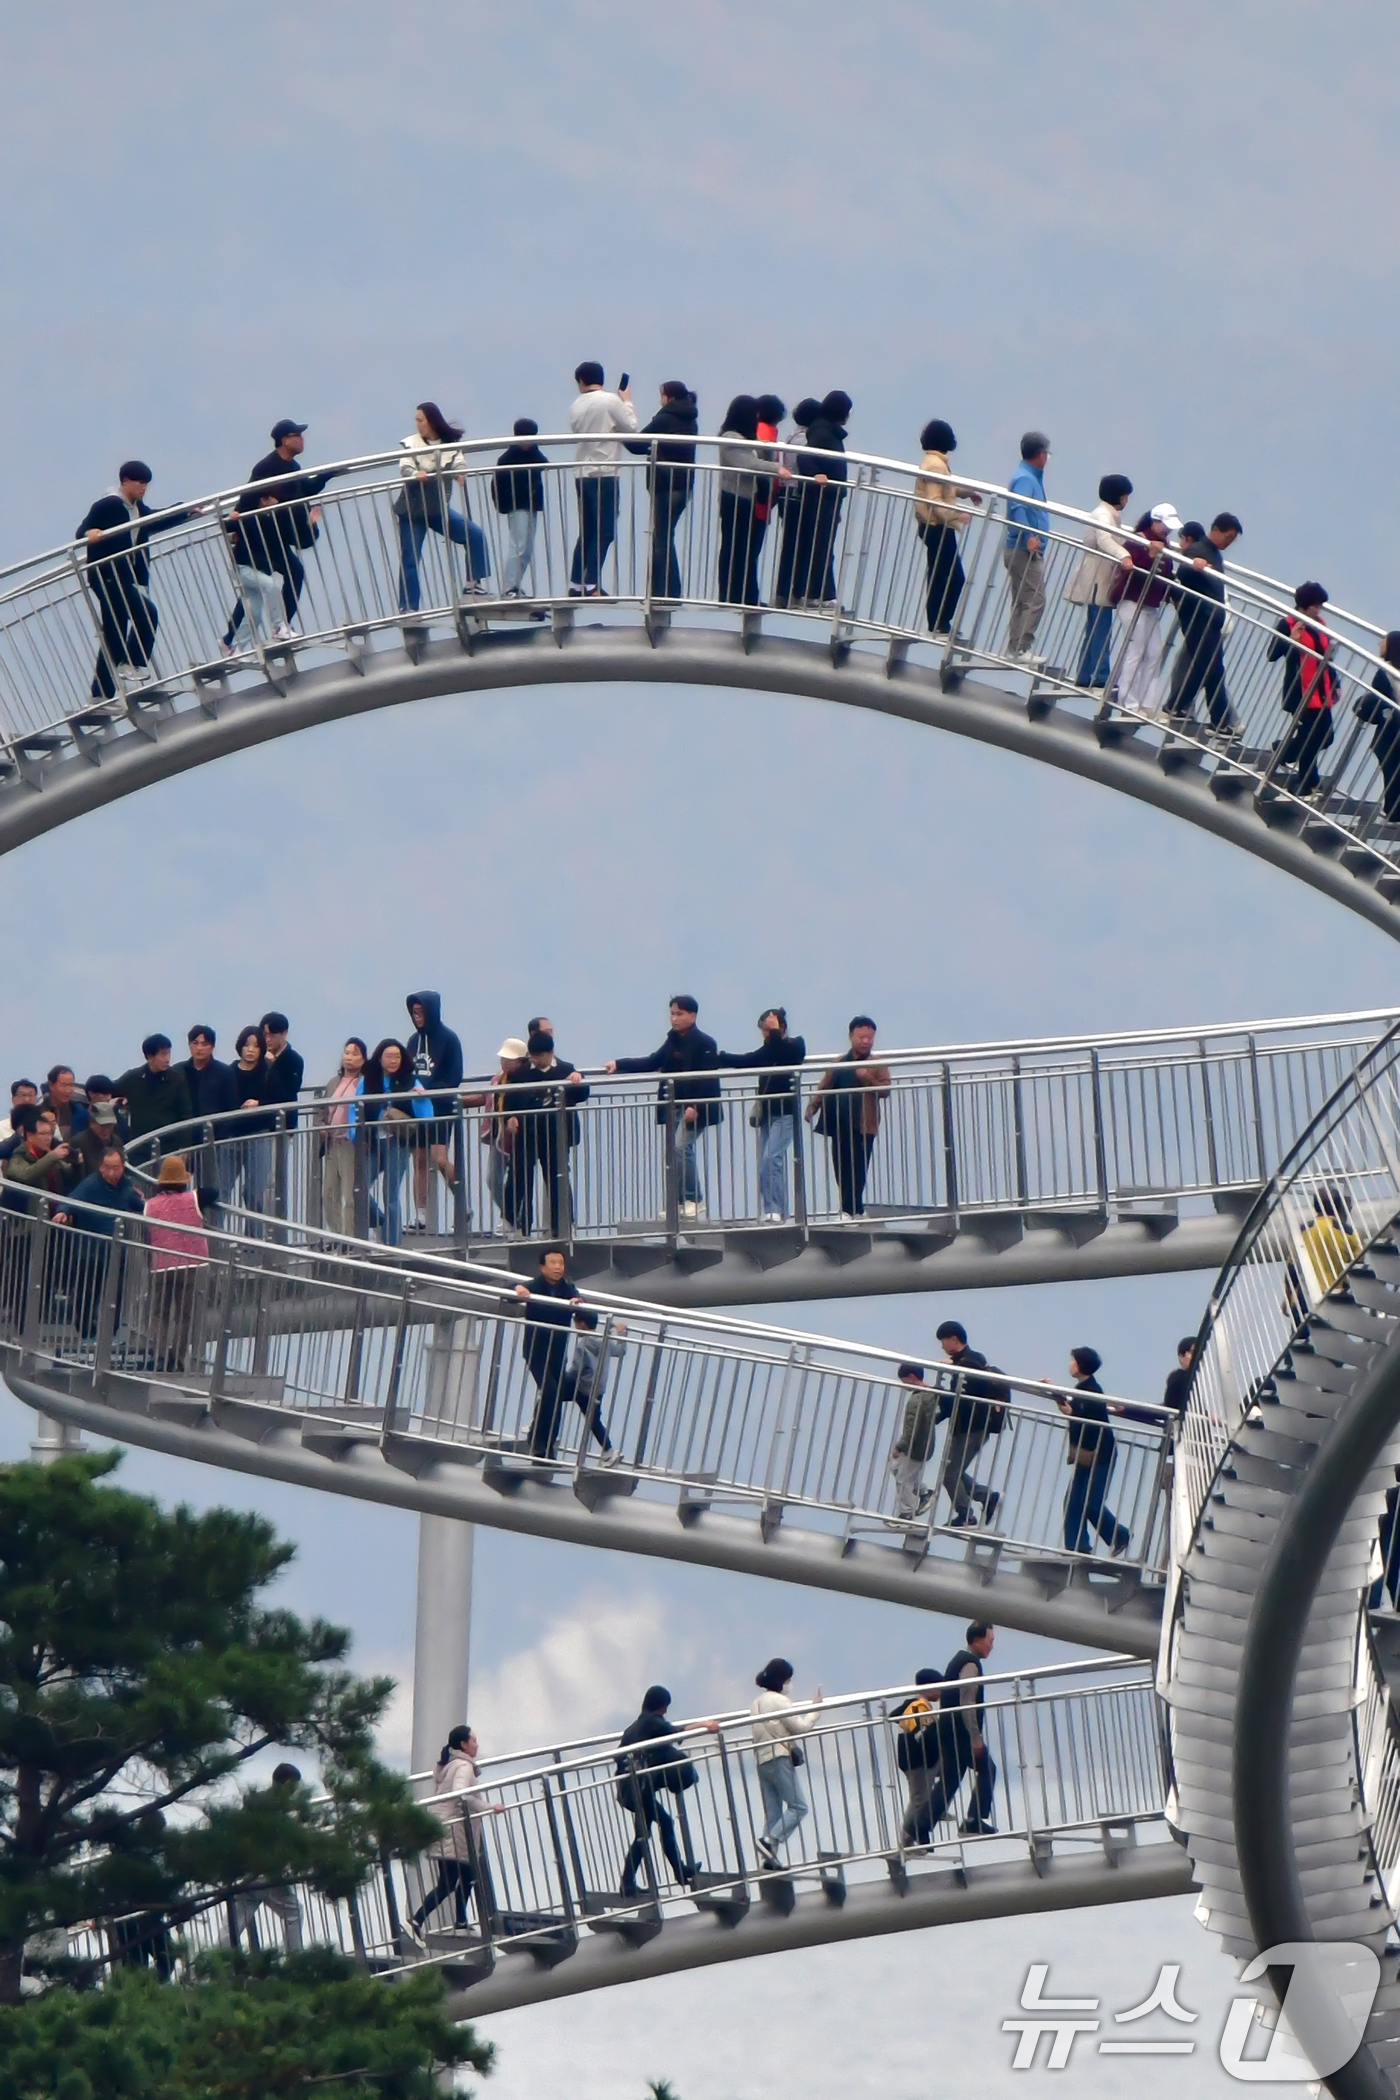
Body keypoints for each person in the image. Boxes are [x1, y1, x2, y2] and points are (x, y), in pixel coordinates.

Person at [76, 463, 202, 699]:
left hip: (122, 576)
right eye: (139, 483)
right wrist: (89, 534)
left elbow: (152, 521)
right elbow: (82, 530)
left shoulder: (135, 507)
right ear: (125, 481)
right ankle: (130, 663)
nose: (144, 488)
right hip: (107, 575)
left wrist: (184, 511)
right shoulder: (109, 504)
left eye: (146, 483)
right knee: (145, 614)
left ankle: (100, 694)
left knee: (116, 630)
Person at [220, 420, 345, 648]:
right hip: (258, 540)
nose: (302, 439)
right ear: (284, 440)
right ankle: (236, 639)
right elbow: (247, 498)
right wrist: (234, 523)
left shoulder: (293, 467)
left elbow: (304, 489)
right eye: (296, 435)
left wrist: (329, 474)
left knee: (293, 573)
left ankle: (280, 627)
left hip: (275, 539)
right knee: (253, 595)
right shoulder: (266, 467)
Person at [607, 997, 722, 1220]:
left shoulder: (705, 1043)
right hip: (674, 1105)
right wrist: (620, 1064)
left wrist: (695, 1106)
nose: (674, 1018)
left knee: (681, 1147)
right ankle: (678, 1202)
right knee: (673, 1152)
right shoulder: (673, 1041)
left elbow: (707, 1078)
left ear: (693, 1016)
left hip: (695, 1107)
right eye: (672, 1014)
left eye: (679, 1014)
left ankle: (694, 1199)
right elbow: (652, 1062)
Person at [616, 1686, 719, 1899]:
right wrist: (705, 1725)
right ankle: (673, 1873)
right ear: (661, 1705)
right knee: (652, 1830)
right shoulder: (653, 1722)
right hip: (639, 1788)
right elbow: (676, 1733)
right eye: (665, 1707)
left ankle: (670, 1873)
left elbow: (619, 1757)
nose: (666, 1712)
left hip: (631, 1787)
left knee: (650, 1829)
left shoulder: (633, 1728)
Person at [405, 1726, 498, 1941]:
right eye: (473, 1740)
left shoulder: (450, 1764)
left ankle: (462, 1923)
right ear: (464, 1745)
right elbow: (460, 1793)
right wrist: (488, 1806)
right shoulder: (464, 1766)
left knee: (467, 1875)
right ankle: (416, 1921)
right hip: (453, 1831)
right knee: (449, 1882)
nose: (477, 1744)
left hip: (446, 1828)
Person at [395, 401, 489, 613]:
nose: (418, 425)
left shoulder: (450, 443)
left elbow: (458, 462)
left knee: (474, 535)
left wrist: (460, 473)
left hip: (437, 507)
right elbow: (405, 467)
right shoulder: (412, 443)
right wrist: (415, 474)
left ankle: (473, 584)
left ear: (431, 422)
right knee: (410, 556)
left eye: (421, 420)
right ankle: (408, 607)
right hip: (412, 509)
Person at [718, 1008, 807, 1222]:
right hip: (768, 1113)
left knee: (772, 1158)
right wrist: (720, 1057)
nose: (766, 1035)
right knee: (765, 1162)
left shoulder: (795, 1045)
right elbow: (747, 1060)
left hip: (785, 1112)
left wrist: (775, 1032)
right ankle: (774, 1209)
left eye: (769, 1030)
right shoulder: (768, 1049)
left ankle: (776, 1209)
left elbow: (786, 1056)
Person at [503, 1030, 590, 1238]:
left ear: (550, 1053)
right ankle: (518, 1224)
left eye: (539, 1056)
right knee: (520, 1176)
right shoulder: (522, 1073)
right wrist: (510, 1117)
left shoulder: (565, 1069)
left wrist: (578, 1080)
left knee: (557, 1178)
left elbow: (581, 1095)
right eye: (532, 1055)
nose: (535, 1060)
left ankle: (562, 1226)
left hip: (556, 1134)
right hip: (527, 1133)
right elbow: (510, 1101)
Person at [806, 1016, 891, 1220]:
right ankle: (853, 1210)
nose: (865, 1042)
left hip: (863, 1124)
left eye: (869, 1038)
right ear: (851, 1036)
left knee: (859, 1167)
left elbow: (885, 1090)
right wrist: (813, 1106)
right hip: (839, 1122)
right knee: (841, 1167)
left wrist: (867, 1078)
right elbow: (825, 1085)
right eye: (861, 1037)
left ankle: (850, 1210)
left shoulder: (877, 1064)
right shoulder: (839, 1062)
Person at [1164, 513, 1242, 729]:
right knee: (1206, 667)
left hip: (1211, 619)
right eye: (1229, 536)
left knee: (1213, 670)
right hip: (1198, 617)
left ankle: (1219, 720)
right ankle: (1177, 705)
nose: (1230, 541)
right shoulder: (1198, 549)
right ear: (1215, 529)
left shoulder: (1215, 554)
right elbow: (1185, 570)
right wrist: (1195, 565)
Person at [775, 391, 851, 609]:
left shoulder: (823, 430)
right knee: (821, 547)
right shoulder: (823, 431)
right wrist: (817, 476)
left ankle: (806, 593)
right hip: (821, 498)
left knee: (813, 547)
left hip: (824, 496)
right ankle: (819, 595)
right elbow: (805, 457)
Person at [568, 363, 639, 595]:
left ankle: (577, 582)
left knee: (587, 529)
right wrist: (626, 401)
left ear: (581, 381)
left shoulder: (576, 406)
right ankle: (592, 583)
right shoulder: (610, 401)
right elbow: (631, 427)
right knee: (605, 530)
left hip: (582, 473)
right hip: (606, 472)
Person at [1053, 1345, 1130, 1557]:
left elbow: (1089, 1419)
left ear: (1080, 1364)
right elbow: (1080, 1413)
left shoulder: (1093, 1392)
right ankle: (1077, 1546)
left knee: (1091, 1502)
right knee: (1073, 1500)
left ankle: (1119, 1535)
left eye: (1073, 1360)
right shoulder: (1082, 1390)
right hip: (1086, 1454)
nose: (1070, 1364)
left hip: (1101, 1454)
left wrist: (1072, 1411)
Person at [61, 1145, 144, 1338]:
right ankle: (85, 1327)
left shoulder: (125, 1185)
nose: (110, 1172)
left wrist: (145, 1203)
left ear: (123, 1167)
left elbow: (137, 1204)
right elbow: (73, 1199)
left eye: (115, 1167)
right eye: (106, 1167)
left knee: (116, 1291)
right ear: (100, 1167)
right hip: (90, 1251)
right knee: (88, 1291)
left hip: (116, 1250)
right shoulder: (91, 1184)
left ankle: (111, 1330)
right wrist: (63, 1211)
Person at [923, 1624, 998, 1836]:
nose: (991, 1646)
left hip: (949, 1730)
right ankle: (973, 1821)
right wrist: (975, 1738)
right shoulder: (970, 1665)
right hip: (961, 1733)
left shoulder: (960, 1660)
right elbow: (967, 1702)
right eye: (989, 1641)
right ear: (976, 1640)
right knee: (987, 1768)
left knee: (950, 1781)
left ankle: (918, 1827)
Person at [627, 381, 699, 600]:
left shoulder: (666, 416)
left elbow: (637, 445)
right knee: (665, 535)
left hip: (665, 485)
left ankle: (664, 591)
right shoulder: (690, 417)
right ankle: (668, 590)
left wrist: (621, 432)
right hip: (683, 485)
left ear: (669, 397)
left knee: (661, 537)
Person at [1267, 582, 1338, 796]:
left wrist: (1335, 683)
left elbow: (1326, 657)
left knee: (1326, 736)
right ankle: (1308, 783)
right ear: (1304, 606)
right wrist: (1292, 641)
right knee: (1311, 737)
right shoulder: (1288, 624)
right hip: (1300, 693)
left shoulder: (1321, 625)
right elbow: (1272, 654)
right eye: (1315, 606)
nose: (1319, 610)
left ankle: (1284, 751)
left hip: (1321, 691)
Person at [750, 1658, 822, 1870]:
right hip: (779, 1757)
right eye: (789, 1679)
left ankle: (770, 1859)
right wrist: (815, 1709)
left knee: (773, 1811)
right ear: (783, 1680)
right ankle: (769, 1841)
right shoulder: (779, 1701)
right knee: (799, 1807)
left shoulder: (756, 1703)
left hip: (761, 1760)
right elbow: (800, 1728)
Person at [934, 1321, 1007, 1527]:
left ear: (954, 1340)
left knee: (950, 1475)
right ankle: (985, 1496)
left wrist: (938, 1394)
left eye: (943, 1341)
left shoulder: (967, 1365)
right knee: (952, 1473)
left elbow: (960, 1398)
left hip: (970, 1428)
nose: (942, 1346)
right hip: (970, 1427)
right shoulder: (972, 1360)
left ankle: (966, 1514)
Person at [913, 420, 981, 635]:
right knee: (952, 577)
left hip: (933, 526)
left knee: (939, 574)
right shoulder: (936, 465)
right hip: (937, 527)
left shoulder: (934, 462)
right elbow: (935, 500)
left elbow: (946, 489)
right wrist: (956, 515)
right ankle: (939, 623)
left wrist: (968, 493)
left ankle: (938, 623)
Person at [1065, 474, 1133, 687]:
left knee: (1094, 626)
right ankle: (1100, 675)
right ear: (1120, 497)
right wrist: (1124, 556)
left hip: (1096, 575)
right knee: (1100, 627)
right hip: (1097, 578)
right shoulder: (1104, 515)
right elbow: (1105, 539)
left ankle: (1086, 674)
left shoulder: (1104, 513)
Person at [142, 1155, 209, 1373]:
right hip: (191, 1264)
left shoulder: (150, 1205)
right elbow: (214, 1192)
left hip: (162, 1265)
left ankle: (160, 1356)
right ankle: (178, 1358)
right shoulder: (195, 1198)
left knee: (159, 1313)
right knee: (184, 1315)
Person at [513, 1249, 581, 1458]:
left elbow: (582, 1305)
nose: (558, 1267)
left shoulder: (567, 1288)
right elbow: (506, 1293)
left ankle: (547, 1442)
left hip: (558, 1350)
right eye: (553, 1263)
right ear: (543, 1267)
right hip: (536, 1349)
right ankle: (539, 1442)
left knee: (556, 1394)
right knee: (550, 1391)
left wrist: (578, 1303)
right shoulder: (536, 1285)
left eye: (560, 1263)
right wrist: (518, 1289)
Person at [233, 1763, 306, 1952]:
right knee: (292, 1911)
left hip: (250, 1869)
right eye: (294, 1785)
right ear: (288, 1783)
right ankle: (295, 1957)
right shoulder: (276, 1807)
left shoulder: (258, 1803)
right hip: (265, 1871)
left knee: (237, 1920)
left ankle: (221, 1959)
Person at [405, 992, 464, 1222]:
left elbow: (454, 1076)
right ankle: (420, 1215)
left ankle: (461, 1201)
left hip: (440, 1107)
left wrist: (430, 1088)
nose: (417, 1017)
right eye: (414, 1013)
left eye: (421, 1013)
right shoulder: (413, 1041)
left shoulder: (449, 1039)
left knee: (439, 1159)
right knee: (419, 1160)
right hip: (417, 1108)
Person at [1112, 512, 1174, 713]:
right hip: (1132, 601)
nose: (1168, 530)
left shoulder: (1166, 546)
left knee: (1154, 652)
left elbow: (1165, 576)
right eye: (1165, 525)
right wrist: (1151, 556)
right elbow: (1133, 569)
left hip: (1150, 605)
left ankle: (1147, 703)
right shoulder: (1137, 541)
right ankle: (1128, 701)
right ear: (1154, 522)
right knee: (1135, 651)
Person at [179, 1026, 238, 1215]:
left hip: (213, 1143)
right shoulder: (179, 1072)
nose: (199, 1048)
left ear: (212, 1047)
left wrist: (219, 1138)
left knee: (211, 1194)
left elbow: (231, 1108)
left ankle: (211, 1239)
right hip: (184, 1142)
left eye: (204, 1044)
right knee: (177, 1192)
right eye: (195, 1043)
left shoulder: (224, 1072)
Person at [223, 488, 293, 647]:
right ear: (265, 500)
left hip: (253, 569)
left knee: (255, 614)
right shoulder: (250, 517)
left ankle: (237, 649)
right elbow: (227, 525)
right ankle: (279, 627)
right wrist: (232, 518)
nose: (277, 503)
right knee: (271, 585)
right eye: (275, 499)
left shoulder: (267, 519)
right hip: (241, 567)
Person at [364, 1038, 416, 1246]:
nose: (393, 1061)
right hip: (374, 1140)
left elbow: (425, 1109)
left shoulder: (409, 1080)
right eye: (389, 1056)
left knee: (391, 1193)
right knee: (357, 1186)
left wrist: (416, 1097)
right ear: (379, 1058)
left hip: (398, 1141)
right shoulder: (369, 1079)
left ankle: (392, 1243)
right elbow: (356, 1107)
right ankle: (382, 1222)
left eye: (397, 1056)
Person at [1003, 432, 1051, 660]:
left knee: (1022, 599)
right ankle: (1021, 648)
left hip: (1020, 548)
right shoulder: (1026, 479)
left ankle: (1015, 648)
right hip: (1024, 550)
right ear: (1040, 454)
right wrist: (1029, 536)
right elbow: (1017, 508)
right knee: (1035, 599)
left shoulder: (1028, 477)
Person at [492, 418, 549, 603]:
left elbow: (543, 463)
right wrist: (503, 506)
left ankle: (515, 585)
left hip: (530, 504)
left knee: (527, 547)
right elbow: (497, 485)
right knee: (519, 545)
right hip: (516, 505)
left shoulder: (534, 453)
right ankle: (509, 587)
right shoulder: (507, 458)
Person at [716, 395, 764, 606]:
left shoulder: (743, 438)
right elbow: (748, 464)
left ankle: (745, 596)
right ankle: (731, 596)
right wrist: (776, 469)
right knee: (734, 548)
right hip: (733, 498)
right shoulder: (731, 438)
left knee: (743, 549)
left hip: (744, 498)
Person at [560, 1307, 625, 1463]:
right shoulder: (605, 1342)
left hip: (581, 1386)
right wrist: (621, 1333)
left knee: (548, 1394)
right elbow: (620, 1351)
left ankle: (538, 1430)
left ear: (582, 1324)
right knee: (594, 1421)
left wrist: (564, 1376)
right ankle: (608, 1450)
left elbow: (578, 1368)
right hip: (597, 1389)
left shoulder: (582, 1345)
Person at [893, 1667, 947, 1845]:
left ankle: (936, 1808)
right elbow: (920, 1733)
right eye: (939, 1687)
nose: (942, 1691)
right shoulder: (918, 1706)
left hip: (919, 1759)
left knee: (921, 1796)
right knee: (919, 1800)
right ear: (929, 1688)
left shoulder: (916, 1705)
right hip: (918, 1760)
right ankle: (908, 1840)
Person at [319, 1039, 367, 1238]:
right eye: (347, 1053)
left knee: (349, 1193)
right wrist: (321, 1127)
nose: (349, 1058)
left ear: (364, 1059)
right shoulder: (333, 1082)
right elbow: (321, 1108)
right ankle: (337, 1235)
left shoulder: (364, 1083)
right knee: (328, 1193)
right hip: (332, 1142)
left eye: (355, 1054)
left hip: (350, 1143)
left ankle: (350, 1238)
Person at [114, 1036, 194, 1148]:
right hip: (140, 1146)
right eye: (163, 1054)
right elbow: (109, 1091)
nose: (168, 1059)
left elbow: (186, 1114)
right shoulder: (133, 1078)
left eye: (169, 1053)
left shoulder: (177, 1079)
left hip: (169, 1146)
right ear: (150, 1057)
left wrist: (185, 1147)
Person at [226, 1026, 270, 1221]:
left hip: (258, 1135)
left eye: (256, 1046)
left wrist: (260, 1104)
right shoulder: (228, 1072)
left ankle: (254, 1244)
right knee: (222, 1190)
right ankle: (216, 1243)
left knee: (255, 1192)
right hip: (230, 1137)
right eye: (246, 1045)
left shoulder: (267, 1072)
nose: (250, 1050)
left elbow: (279, 1098)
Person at [1355, 632, 1400, 824]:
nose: (1380, 645)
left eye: (1384, 642)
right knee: (1393, 772)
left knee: (1392, 772)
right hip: (1390, 731)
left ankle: (1392, 814)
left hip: (1389, 732)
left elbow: (1375, 698)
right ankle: (1393, 813)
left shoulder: (1385, 672)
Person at [889, 1362, 937, 1521]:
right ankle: (923, 1492)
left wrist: (900, 1446)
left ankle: (906, 1514)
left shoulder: (916, 1400)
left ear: (911, 1377)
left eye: (904, 1381)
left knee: (903, 1479)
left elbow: (911, 1428)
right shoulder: (929, 1394)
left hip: (915, 1447)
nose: (904, 1385)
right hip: (925, 1445)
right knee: (899, 1470)